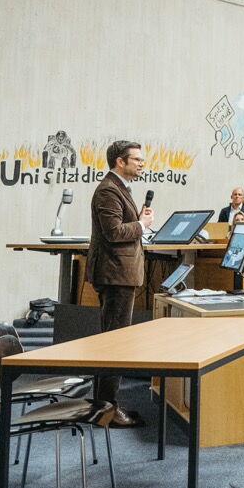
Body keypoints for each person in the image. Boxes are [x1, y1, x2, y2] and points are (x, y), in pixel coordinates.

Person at [86, 140, 153, 427]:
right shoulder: (108, 190)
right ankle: (107, 412)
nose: (142, 163)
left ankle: (105, 406)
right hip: (115, 275)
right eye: (136, 159)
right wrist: (141, 226)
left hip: (121, 274)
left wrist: (138, 221)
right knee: (114, 343)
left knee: (113, 341)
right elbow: (113, 233)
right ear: (120, 161)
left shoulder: (119, 188)